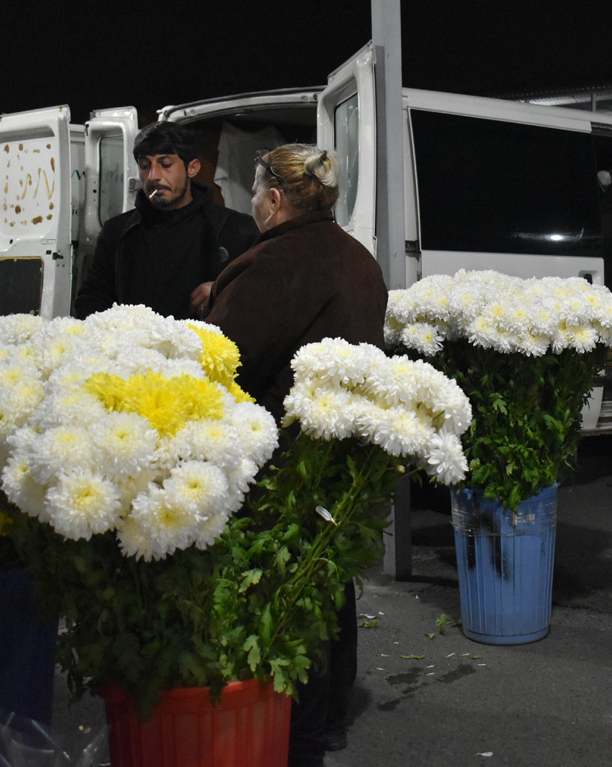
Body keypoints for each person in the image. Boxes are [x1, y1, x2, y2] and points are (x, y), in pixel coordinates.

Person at [205, 144, 387, 767]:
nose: (251, 204)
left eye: (255, 193)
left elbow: (230, 356)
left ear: (275, 200)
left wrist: (208, 310)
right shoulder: (357, 258)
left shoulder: (277, 262)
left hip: (281, 453)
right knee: (326, 577)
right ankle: (330, 715)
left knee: (285, 587)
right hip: (338, 448)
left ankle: (297, 730)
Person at [74, 122, 259, 320]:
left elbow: (262, 294)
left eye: (166, 164)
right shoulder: (118, 231)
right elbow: (90, 300)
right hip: (133, 348)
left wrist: (223, 291)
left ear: (192, 168)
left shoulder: (235, 228)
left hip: (202, 349)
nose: (153, 176)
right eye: (145, 166)